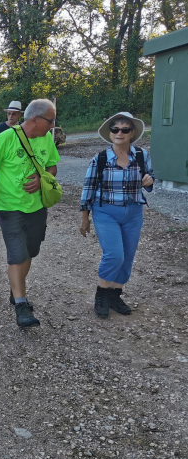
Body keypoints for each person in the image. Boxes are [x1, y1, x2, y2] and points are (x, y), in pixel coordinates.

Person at [0, 99, 60, 328]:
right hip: (10, 207)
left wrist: (43, 177)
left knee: (30, 251)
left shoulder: (46, 139)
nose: (53, 125)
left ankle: (16, 290)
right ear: (35, 119)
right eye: (50, 120)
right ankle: (21, 304)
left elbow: (52, 166)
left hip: (37, 207)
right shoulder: (6, 137)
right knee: (17, 254)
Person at [79, 112, 154, 319]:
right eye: (115, 129)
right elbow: (88, 188)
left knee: (127, 257)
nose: (119, 133)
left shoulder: (141, 155)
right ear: (110, 133)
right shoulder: (100, 159)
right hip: (105, 212)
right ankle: (101, 296)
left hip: (133, 213)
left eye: (125, 129)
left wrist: (149, 180)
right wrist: (85, 219)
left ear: (132, 133)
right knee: (115, 255)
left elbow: (150, 178)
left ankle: (114, 295)